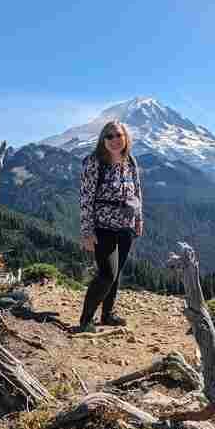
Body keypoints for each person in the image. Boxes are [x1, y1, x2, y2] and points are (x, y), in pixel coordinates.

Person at [76, 120, 143, 333]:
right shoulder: (94, 162)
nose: (114, 140)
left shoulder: (129, 161)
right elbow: (86, 198)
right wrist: (87, 231)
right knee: (107, 273)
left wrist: (139, 220)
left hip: (126, 226)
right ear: (102, 140)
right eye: (109, 136)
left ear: (125, 138)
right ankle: (86, 320)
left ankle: (107, 315)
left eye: (118, 135)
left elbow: (137, 192)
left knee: (116, 273)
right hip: (102, 225)